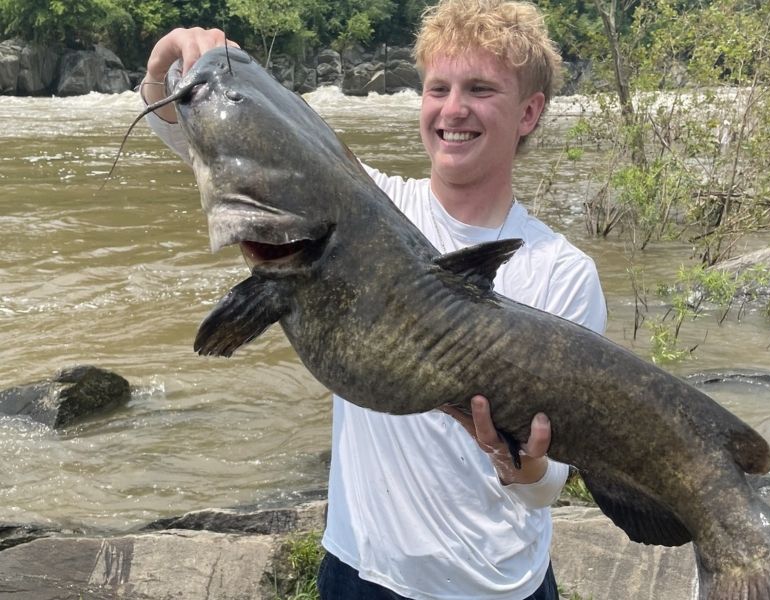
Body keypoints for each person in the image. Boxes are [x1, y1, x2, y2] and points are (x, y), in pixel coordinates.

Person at [141, 1, 606, 598]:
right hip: (362, 569)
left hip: (498, 585)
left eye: (481, 89)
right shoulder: (367, 203)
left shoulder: (562, 271)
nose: (453, 108)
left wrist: (526, 467)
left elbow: (549, 485)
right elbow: (232, 150)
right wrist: (168, 77)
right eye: (438, 87)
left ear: (529, 113)